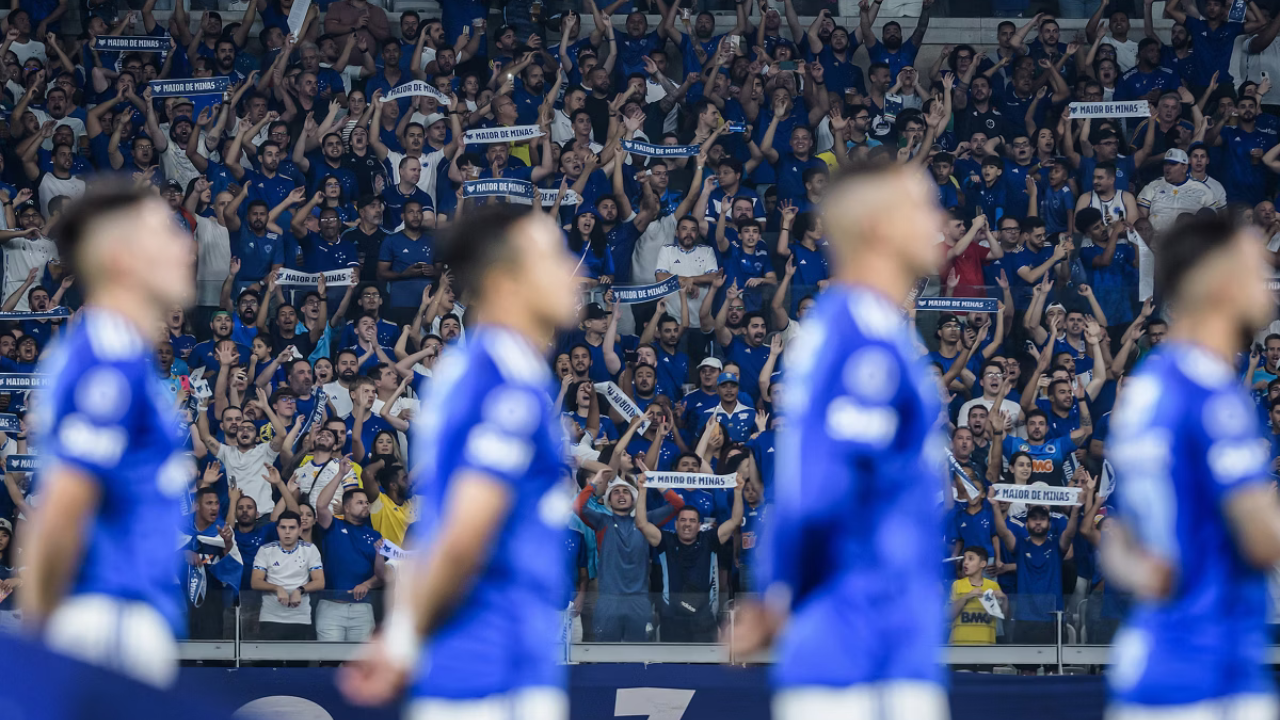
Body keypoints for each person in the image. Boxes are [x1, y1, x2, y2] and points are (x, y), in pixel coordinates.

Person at [339, 204, 583, 716]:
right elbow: (468, 526)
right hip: (485, 672)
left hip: (508, 662)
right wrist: (403, 637)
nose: (571, 270)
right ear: (505, 278)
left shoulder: (503, 371)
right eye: (552, 257)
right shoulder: (494, 381)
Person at [734, 162, 949, 719]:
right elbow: (822, 488)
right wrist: (779, 595)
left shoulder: (865, 328)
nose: (940, 221)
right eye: (921, 207)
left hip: (890, 640)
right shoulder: (855, 337)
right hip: (856, 647)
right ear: (879, 226)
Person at [17, 187, 194, 688]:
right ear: (121, 259)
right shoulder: (108, 350)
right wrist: (39, 638)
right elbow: (65, 502)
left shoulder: (115, 349)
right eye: (164, 233)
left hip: (117, 620)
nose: (184, 246)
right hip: (109, 619)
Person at [1105, 216, 1280, 717]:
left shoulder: (1150, 387)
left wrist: (1147, 571)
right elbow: (1262, 540)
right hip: (1209, 671)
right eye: (1254, 264)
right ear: (1219, 282)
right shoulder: (1209, 394)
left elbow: (1118, 538)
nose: (1267, 273)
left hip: (1158, 655)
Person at [636, 470, 744, 642]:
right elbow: (642, 523)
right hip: (672, 618)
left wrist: (738, 492)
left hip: (704, 619)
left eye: (692, 521)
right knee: (672, 668)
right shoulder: (666, 540)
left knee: (703, 667)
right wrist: (642, 491)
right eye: (683, 520)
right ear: (676, 524)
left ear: (699, 525)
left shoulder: (709, 539)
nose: (687, 525)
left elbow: (735, 521)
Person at [251, 510, 325, 640]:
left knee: (297, 660)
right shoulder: (265, 550)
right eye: (283, 527)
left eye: (292, 528)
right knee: (270, 660)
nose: (287, 532)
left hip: (301, 618)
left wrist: (300, 590)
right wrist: (277, 588)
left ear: (300, 530)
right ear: (277, 529)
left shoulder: (310, 549)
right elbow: (255, 581)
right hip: (270, 617)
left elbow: (320, 581)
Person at [948, 545, 1006, 645]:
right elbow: (949, 615)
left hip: (986, 645)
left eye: (970, 559)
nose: (965, 562)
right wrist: (967, 596)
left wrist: (1004, 599)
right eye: (964, 559)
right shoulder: (957, 585)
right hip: (959, 646)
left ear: (982, 563)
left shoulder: (992, 586)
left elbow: (1002, 616)